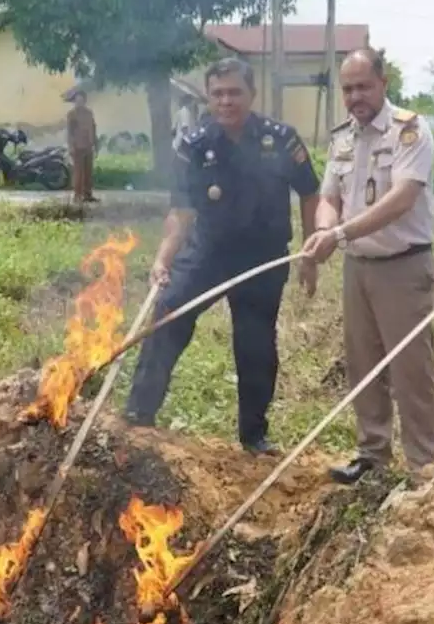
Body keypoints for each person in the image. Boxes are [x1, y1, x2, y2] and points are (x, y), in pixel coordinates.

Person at [125, 58, 320, 456]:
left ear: (251, 94)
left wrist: (310, 252)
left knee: (255, 343)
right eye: (218, 94)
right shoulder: (195, 144)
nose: (226, 101)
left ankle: (253, 436)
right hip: (207, 252)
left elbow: (310, 193)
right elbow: (181, 212)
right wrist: (164, 257)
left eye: (234, 92)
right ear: (208, 97)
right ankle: (138, 414)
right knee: (169, 312)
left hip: (262, 258)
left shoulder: (280, 139)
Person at [303, 47, 434, 485]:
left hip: (403, 266)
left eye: (363, 85)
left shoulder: (410, 131)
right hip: (358, 267)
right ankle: (372, 454)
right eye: (348, 88)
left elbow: (402, 198)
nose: (355, 96)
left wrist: (340, 234)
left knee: (410, 369)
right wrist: (324, 226)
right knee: (363, 363)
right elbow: (329, 197)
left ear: (383, 83)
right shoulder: (343, 137)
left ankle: (423, 467)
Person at [66, 90, 99, 203]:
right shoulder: (72, 115)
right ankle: (77, 195)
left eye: (81, 100)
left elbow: (93, 128)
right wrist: (71, 146)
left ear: (84, 101)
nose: (79, 102)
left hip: (88, 145)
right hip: (77, 146)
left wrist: (96, 143)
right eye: (77, 100)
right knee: (78, 172)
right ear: (75, 101)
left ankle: (88, 194)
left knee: (88, 172)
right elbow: (70, 132)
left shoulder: (89, 113)